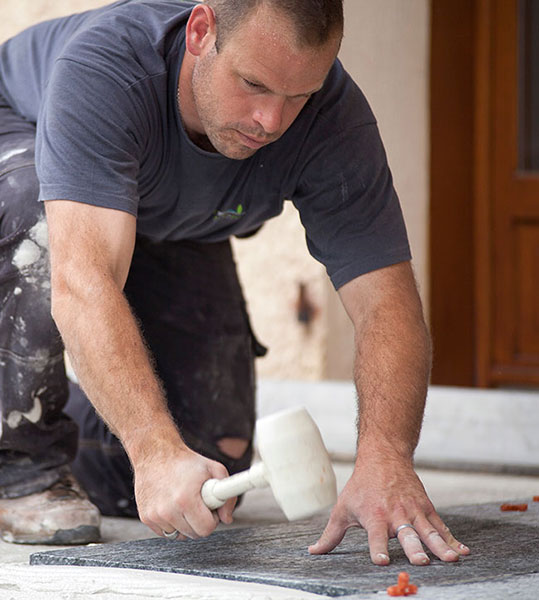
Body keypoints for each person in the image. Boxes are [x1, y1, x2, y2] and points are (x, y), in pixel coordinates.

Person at [0, 0, 470, 564]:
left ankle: (35, 424)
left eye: (298, 97)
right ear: (201, 32)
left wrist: (386, 459)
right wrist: (151, 450)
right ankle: (21, 468)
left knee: (207, 471)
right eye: (253, 84)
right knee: (40, 226)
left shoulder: (334, 121)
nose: (271, 121)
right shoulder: (107, 70)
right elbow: (84, 280)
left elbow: (386, 303)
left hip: (162, 220)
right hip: (25, 144)